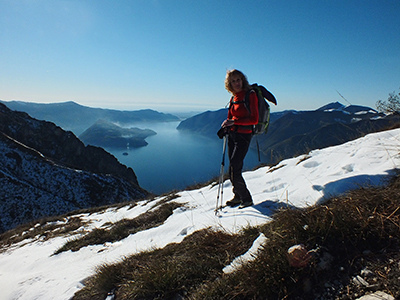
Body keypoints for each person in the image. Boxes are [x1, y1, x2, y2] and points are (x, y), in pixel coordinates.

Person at [221, 69, 258, 208]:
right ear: (229, 84)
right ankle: (237, 195)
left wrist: (234, 122)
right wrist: (227, 123)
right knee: (232, 168)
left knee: (235, 168)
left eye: (238, 80)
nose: (237, 83)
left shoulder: (250, 94)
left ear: (243, 80)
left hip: (244, 135)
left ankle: (246, 199)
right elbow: (231, 116)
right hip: (233, 134)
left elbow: (254, 119)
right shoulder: (234, 97)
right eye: (233, 81)